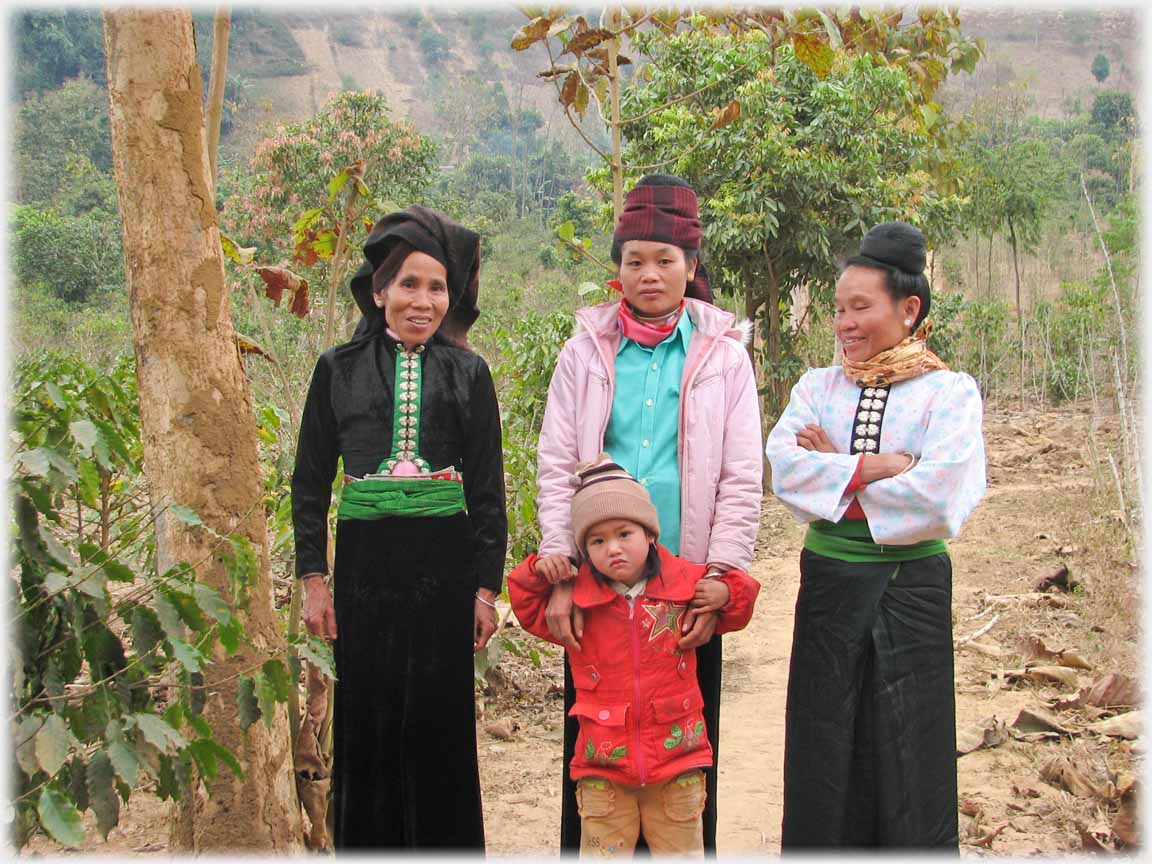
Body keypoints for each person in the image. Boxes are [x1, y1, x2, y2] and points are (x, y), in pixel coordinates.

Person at [534, 174, 764, 851]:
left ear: (692, 268)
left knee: (688, 753)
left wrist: (720, 578)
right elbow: (555, 466)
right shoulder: (584, 354)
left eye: (665, 259)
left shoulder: (724, 358)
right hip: (598, 586)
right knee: (595, 753)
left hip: (684, 585)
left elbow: (741, 475)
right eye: (634, 260)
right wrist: (561, 574)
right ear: (618, 272)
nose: (649, 273)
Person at [765, 221, 987, 849]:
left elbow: (942, 497)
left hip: (911, 586)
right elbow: (786, 469)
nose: (844, 324)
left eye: (861, 307)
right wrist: (876, 467)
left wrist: (835, 479)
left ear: (909, 308)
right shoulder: (816, 387)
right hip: (831, 584)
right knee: (823, 736)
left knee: (910, 739)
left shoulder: (950, 393)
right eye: (838, 309)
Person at [291, 205, 507, 850]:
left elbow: (488, 490)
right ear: (379, 289)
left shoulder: (469, 373)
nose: (423, 300)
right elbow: (308, 484)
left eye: (437, 286)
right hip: (364, 567)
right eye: (408, 284)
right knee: (369, 719)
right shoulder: (338, 369)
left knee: (440, 722)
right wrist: (314, 580)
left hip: (444, 565)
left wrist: (485, 591)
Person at [509, 456, 760, 857]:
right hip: (602, 775)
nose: (614, 549)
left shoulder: (684, 585)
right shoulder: (579, 605)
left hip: (678, 765)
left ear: (650, 534)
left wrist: (726, 593)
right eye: (597, 541)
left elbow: (740, 603)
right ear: (584, 549)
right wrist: (547, 568)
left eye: (624, 533)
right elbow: (524, 602)